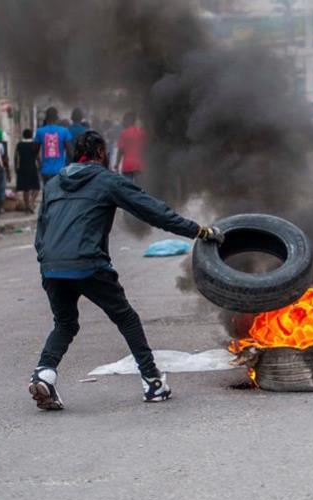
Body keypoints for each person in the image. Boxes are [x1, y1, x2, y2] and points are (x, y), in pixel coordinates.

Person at [28, 131, 225, 410]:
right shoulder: (107, 180)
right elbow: (153, 211)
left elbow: (41, 232)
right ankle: (153, 382)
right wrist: (198, 230)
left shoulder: (54, 184)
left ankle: (44, 374)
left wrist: (47, 261)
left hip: (52, 267)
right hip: (88, 264)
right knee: (126, 318)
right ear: (100, 153)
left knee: (65, 323)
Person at [35, 107, 74, 185]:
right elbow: (70, 152)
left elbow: (35, 151)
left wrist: (40, 164)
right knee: (59, 195)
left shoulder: (40, 131)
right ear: (57, 118)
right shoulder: (64, 131)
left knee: (47, 194)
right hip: (60, 171)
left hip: (45, 170)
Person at [114, 111, 146, 183]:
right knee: (139, 189)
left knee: (128, 188)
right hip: (139, 165)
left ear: (127, 121)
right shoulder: (142, 133)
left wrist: (117, 164)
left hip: (127, 166)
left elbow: (120, 150)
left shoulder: (124, 133)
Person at [15, 129, 41, 213]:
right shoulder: (34, 145)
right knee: (36, 187)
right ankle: (31, 202)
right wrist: (40, 165)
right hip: (32, 167)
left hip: (22, 168)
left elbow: (16, 156)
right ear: (31, 135)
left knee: (25, 188)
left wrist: (16, 167)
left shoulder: (19, 144)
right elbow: (37, 156)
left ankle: (27, 205)